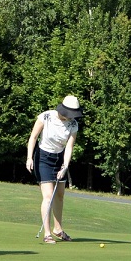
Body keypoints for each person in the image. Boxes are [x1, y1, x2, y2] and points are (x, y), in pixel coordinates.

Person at [26, 95, 82, 244]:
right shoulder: (46, 117)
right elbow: (33, 137)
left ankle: (58, 229)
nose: (71, 117)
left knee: (60, 195)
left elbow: (69, 147)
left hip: (60, 158)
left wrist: (65, 166)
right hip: (43, 157)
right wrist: (29, 158)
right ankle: (47, 233)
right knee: (48, 196)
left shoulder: (73, 124)